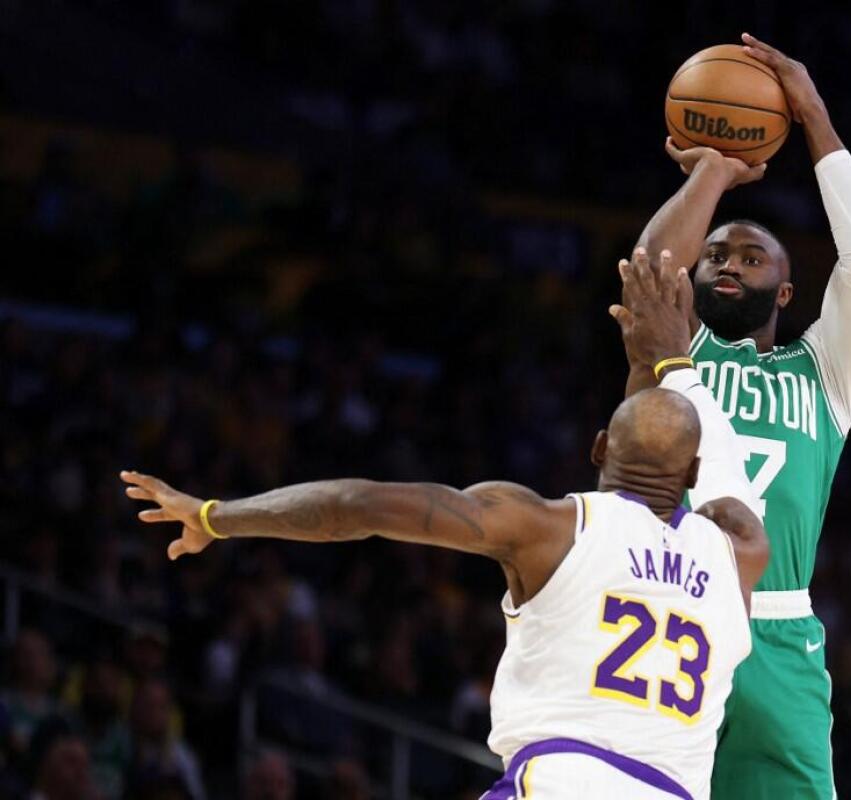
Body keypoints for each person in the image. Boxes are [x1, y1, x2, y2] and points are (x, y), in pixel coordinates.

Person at [122, 250, 768, 800]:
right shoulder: (740, 551)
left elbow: (354, 504)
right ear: (692, 475)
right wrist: (672, 361)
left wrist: (215, 516)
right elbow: (716, 469)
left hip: (560, 779)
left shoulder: (546, 528)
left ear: (599, 448)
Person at [632, 33, 851, 799]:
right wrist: (712, 173)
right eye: (716, 254)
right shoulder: (676, 345)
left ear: (784, 292)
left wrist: (812, 117)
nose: (727, 263)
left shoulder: (825, 372)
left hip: (777, 631)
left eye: (750, 258)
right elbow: (651, 270)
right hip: (665, 610)